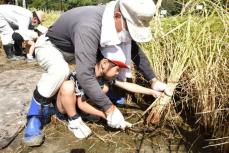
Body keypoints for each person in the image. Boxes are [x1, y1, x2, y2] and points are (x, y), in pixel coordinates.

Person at [23, 0, 170, 146]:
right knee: (60, 71)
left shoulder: (113, 20)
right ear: (118, 16)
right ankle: (34, 117)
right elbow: (85, 75)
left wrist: (153, 80)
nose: (130, 34)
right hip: (52, 46)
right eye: (130, 28)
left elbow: (135, 51)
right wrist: (109, 109)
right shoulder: (89, 26)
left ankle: (94, 98)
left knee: (102, 85)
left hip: (74, 48)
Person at [56, 45, 163, 139]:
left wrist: (151, 92)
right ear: (104, 63)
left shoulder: (104, 77)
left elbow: (126, 85)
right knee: (68, 86)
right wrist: (106, 115)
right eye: (117, 69)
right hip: (65, 107)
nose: (118, 73)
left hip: (82, 106)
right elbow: (82, 104)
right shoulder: (85, 74)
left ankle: (85, 115)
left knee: (105, 88)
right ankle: (74, 120)